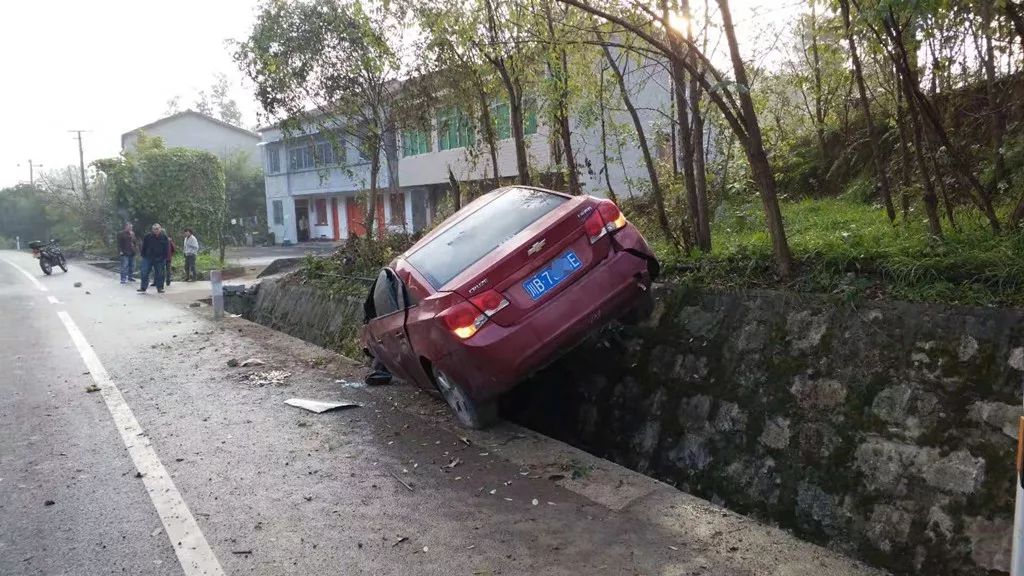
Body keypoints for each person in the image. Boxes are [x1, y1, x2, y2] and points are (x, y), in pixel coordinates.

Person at [138, 223, 169, 293]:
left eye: (157, 229)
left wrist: (164, 257)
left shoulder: (164, 237)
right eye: (154, 229)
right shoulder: (148, 236)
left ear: (160, 229)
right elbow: (144, 246)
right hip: (148, 257)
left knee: (159, 274)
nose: (156, 230)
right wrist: (143, 255)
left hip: (159, 258)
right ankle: (143, 287)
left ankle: (160, 288)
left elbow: (166, 248)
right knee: (144, 272)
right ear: (152, 230)